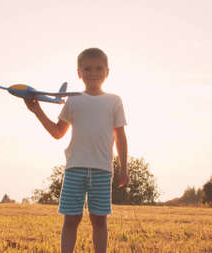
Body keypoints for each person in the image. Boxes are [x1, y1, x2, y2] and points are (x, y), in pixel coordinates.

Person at [23, 47, 128, 253]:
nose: (93, 73)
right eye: (87, 69)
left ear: (107, 72)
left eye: (99, 68)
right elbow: (57, 132)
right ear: (79, 73)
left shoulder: (114, 100)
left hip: (102, 170)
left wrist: (124, 167)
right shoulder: (73, 100)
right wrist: (37, 110)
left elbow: (120, 137)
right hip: (75, 169)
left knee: (99, 220)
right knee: (71, 219)